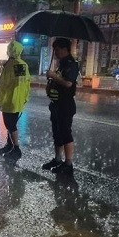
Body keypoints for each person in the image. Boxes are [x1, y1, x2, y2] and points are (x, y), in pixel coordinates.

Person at [42, 37, 79, 176]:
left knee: (65, 133)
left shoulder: (71, 64)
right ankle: (57, 159)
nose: (55, 52)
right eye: (54, 49)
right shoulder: (61, 64)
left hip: (66, 105)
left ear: (65, 49)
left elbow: (68, 83)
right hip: (56, 104)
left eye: (57, 49)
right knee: (57, 133)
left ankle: (68, 163)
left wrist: (53, 76)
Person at [0, 38, 31, 160]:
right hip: (17, 100)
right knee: (10, 124)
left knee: (10, 125)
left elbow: (3, 85)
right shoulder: (21, 64)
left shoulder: (12, 65)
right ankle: (9, 145)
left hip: (9, 100)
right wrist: (25, 98)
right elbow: (25, 84)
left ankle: (16, 148)